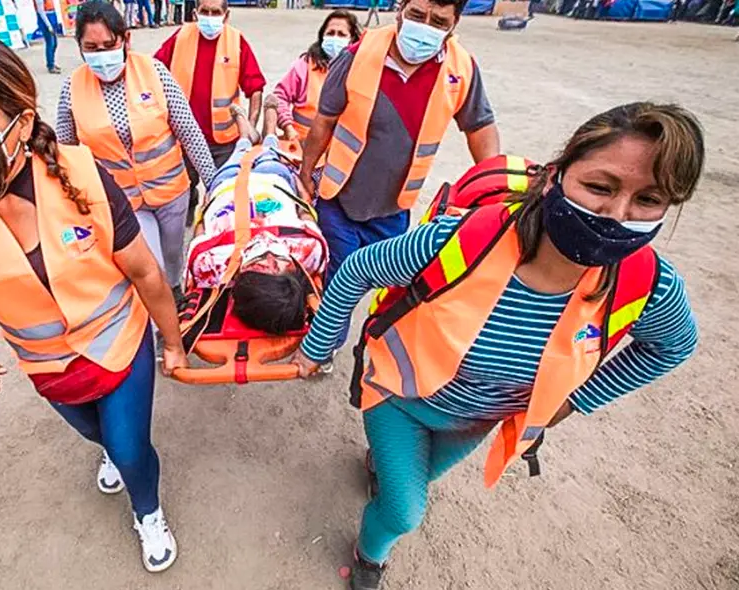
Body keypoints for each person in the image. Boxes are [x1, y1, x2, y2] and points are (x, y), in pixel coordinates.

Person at [292, 102, 704, 590]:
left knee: (414, 480)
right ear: (554, 178)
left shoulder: (648, 286)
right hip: (399, 398)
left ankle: (379, 465)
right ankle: (370, 557)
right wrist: (317, 347)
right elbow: (358, 269)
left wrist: (577, 399)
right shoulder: (463, 240)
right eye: (600, 187)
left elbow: (672, 347)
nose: (616, 215)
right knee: (404, 511)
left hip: (478, 422)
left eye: (648, 199)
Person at [0, 29, 186, 572]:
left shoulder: (83, 174)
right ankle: (112, 453)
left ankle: (147, 509)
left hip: (121, 350)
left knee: (129, 450)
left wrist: (171, 342)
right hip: (49, 371)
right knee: (99, 436)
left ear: (22, 122)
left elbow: (145, 271)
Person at [299, 0, 501, 348]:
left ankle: (336, 335)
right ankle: (326, 345)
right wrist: (305, 173)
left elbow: (480, 128)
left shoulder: (461, 69)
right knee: (338, 282)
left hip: (394, 209)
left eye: (438, 22)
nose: (425, 28)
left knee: (380, 284)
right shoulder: (356, 55)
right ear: (400, 9)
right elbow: (324, 121)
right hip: (340, 199)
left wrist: (494, 187)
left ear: (454, 25)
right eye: (417, 15)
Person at [56, 0, 216, 299]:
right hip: (123, 200)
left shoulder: (154, 72)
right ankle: (159, 315)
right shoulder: (72, 88)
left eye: (109, 45)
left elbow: (190, 132)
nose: (102, 55)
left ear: (126, 39)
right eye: (91, 48)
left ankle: (175, 293)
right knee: (149, 266)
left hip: (171, 192)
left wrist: (214, 184)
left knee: (172, 256)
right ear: (80, 47)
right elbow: (65, 152)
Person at [189, 96, 328, 334]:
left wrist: (207, 203)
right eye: (278, 265)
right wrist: (298, 188)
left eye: (261, 265)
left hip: (227, 186)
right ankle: (269, 128)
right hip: (273, 182)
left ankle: (245, 133)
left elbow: (200, 228)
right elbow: (305, 212)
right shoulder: (309, 252)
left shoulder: (209, 265)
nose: (269, 254)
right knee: (270, 154)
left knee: (239, 153)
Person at [154, 0, 267, 167]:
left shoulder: (236, 41)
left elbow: (255, 88)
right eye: (204, 11)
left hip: (224, 143)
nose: (209, 17)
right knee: (185, 183)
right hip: (184, 138)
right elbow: (153, 72)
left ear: (226, 16)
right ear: (195, 14)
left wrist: (249, 128)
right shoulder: (180, 37)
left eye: (215, 12)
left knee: (224, 183)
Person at [274, 9, 362, 143]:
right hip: (301, 143)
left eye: (341, 34)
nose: (335, 38)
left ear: (352, 40)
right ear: (322, 37)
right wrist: (288, 127)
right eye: (330, 33)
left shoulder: (359, 69)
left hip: (340, 148)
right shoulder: (306, 65)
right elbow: (279, 97)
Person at [34, 0, 60, 74]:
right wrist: (48, 25)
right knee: (50, 43)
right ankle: (50, 66)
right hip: (46, 19)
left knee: (55, 44)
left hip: (52, 16)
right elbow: (41, 11)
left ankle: (52, 62)